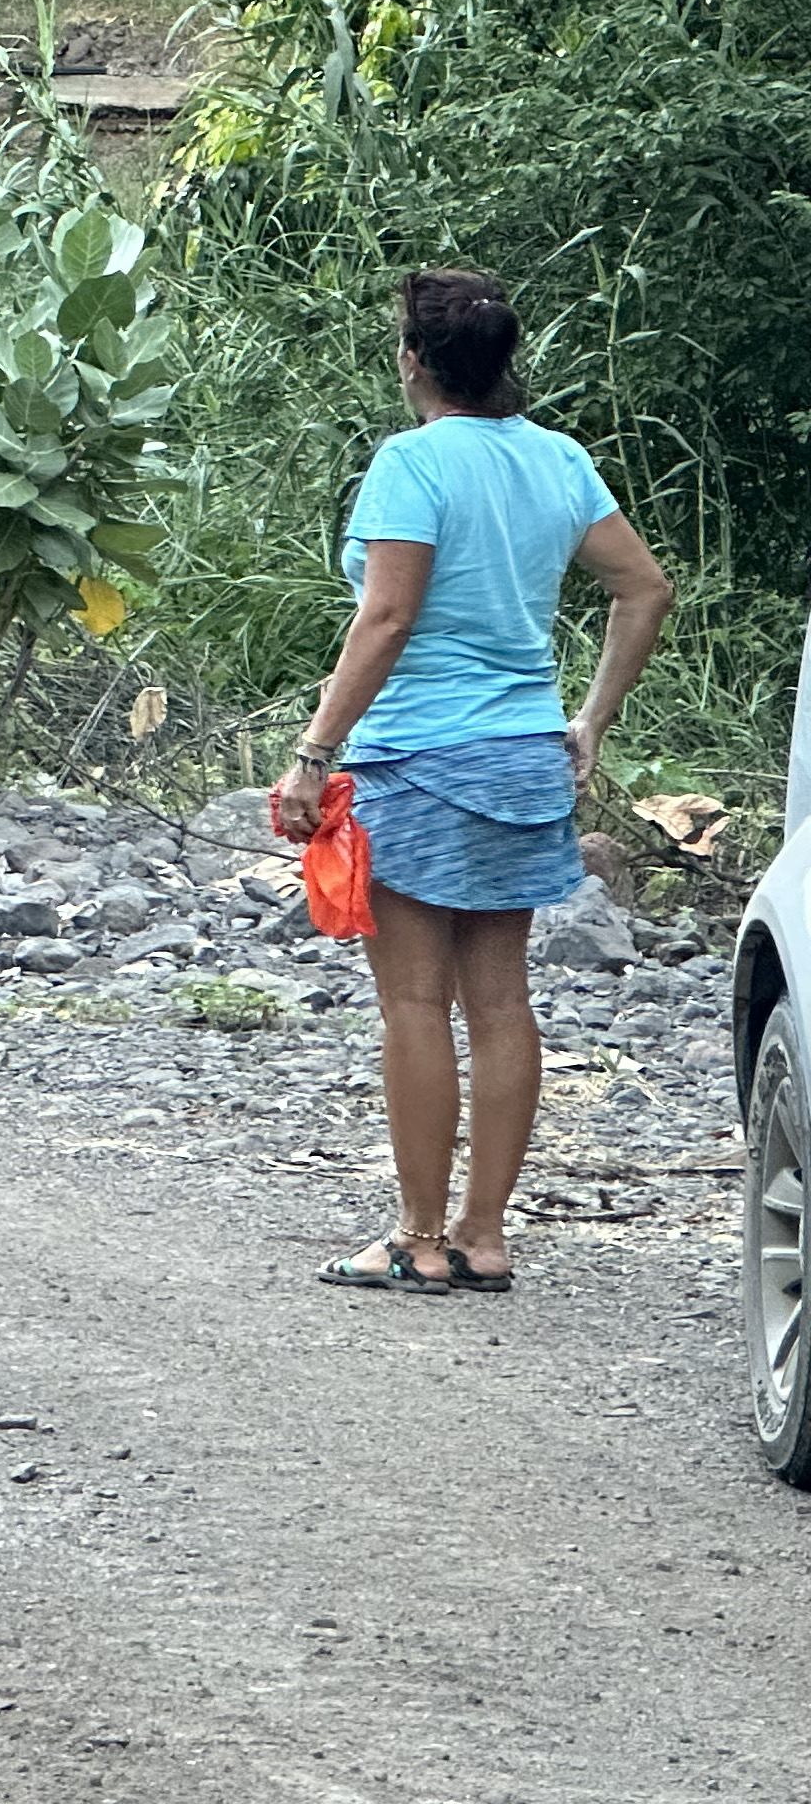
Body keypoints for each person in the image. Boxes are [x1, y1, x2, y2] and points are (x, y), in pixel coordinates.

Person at [272, 270, 674, 1296]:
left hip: (417, 758)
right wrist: (588, 719)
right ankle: (485, 1235)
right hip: (525, 755)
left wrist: (316, 752)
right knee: (502, 1003)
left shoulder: (411, 463)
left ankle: (419, 1240)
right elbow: (645, 586)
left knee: (412, 1000)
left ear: (415, 360)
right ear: (503, 362)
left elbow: (388, 616)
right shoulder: (558, 459)